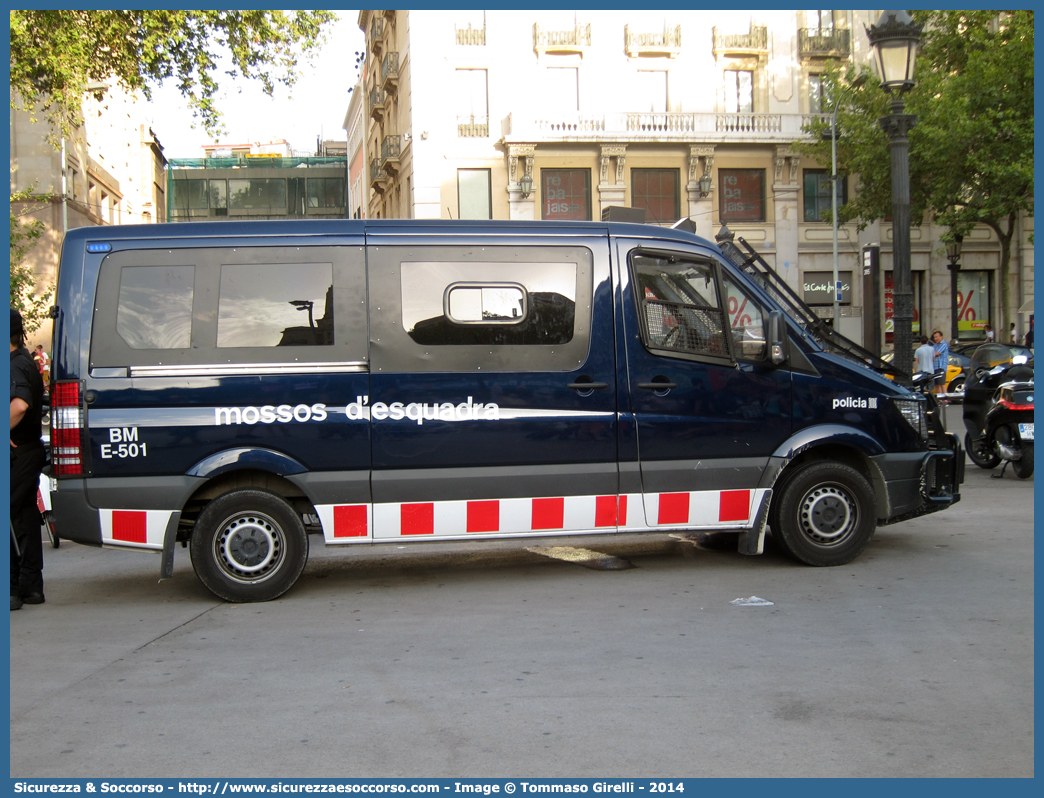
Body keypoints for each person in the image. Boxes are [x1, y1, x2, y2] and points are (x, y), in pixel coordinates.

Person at [10, 308, 47, 608]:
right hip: (29, 450)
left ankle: (10, 590)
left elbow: (20, 405)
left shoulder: (14, 365)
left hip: (17, 453)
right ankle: (31, 587)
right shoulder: (25, 360)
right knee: (24, 517)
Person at [931, 329, 950, 398]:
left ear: (941, 337)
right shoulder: (935, 346)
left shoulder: (944, 344)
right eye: (934, 337)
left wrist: (933, 354)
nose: (936, 338)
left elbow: (937, 353)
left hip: (941, 367)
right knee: (937, 384)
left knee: (942, 383)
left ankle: (945, 399)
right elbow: (932, 354)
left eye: (937, 337)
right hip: (935, 367)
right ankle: (940, 399)